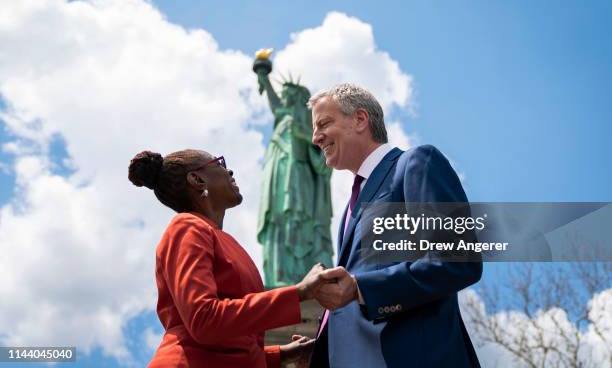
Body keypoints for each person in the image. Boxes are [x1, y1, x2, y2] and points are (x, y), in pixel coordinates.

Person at [307, 84, 483, 367]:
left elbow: (458, 262)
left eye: (324, 124)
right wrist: (324, 346)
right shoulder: (348, 211)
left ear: (360, 120)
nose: (315, 138)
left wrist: (358, 287)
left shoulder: (416, 163)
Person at [128, 149, 326, 367]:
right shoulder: (187, 227)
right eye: (220, 164)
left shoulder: (220, 238)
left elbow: (231, 344)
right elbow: (204, 319)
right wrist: (298, 293)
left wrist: (286, 354)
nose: (229, 170)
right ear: (196, 179)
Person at [255, 68, 333, 287]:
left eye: (288, 93)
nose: (283, 97)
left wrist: (307, 138)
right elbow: (275, 105)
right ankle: (279, 274)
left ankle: (303, 272)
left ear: (297, 97)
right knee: (277, 220)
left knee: (297, 221)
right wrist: (264, 78)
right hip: (276, 177)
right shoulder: (284, 119)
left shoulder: (305, 125)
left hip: (299, 178)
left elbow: (322, 159)